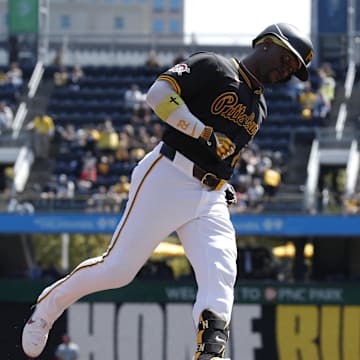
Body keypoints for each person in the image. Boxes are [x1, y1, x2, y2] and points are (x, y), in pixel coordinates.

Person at [22, 23, 314, 359]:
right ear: (267, 43)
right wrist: (203, 133)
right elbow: (158, 95)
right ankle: (48, 305)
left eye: (294, 69)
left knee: (221, 269)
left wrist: (224, 180)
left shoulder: (259, 107)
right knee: (117, 270)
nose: (288, 70)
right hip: (169, 174)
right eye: (287, 59)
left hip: (210, 194)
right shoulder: (214, 65)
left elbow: (225, 152)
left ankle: (211, 351)